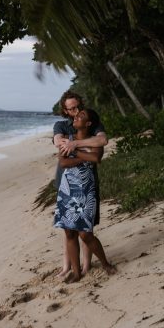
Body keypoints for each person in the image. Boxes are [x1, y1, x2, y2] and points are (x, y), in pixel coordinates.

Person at [54, 108, 115, 282]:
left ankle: (105, 264)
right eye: (76, 114)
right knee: (69, 233)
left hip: (86, 189)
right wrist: (84, 156)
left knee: (85, 234)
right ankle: (76, 272)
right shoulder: (68, 139)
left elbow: (97, 158)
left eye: (81, 116)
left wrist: (75, 151)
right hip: (67, 190)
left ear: (88, 123)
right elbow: (64, 162)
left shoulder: (94, 141)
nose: (76, 117)